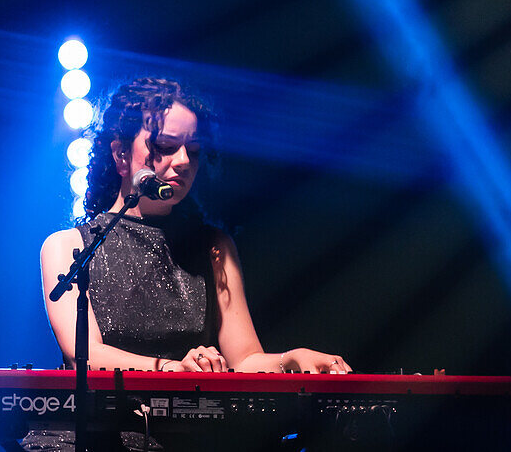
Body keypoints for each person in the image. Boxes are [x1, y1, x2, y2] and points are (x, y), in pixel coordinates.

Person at [28, 77, 350, 450]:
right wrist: (170, 369)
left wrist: (289, 360)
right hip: (96, 439)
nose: (182, 162)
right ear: (119, 155)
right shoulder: (68, 246)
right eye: (164, 147)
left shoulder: (214, 247)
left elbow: (244, 359)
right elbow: (83, 353)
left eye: (193, 151)